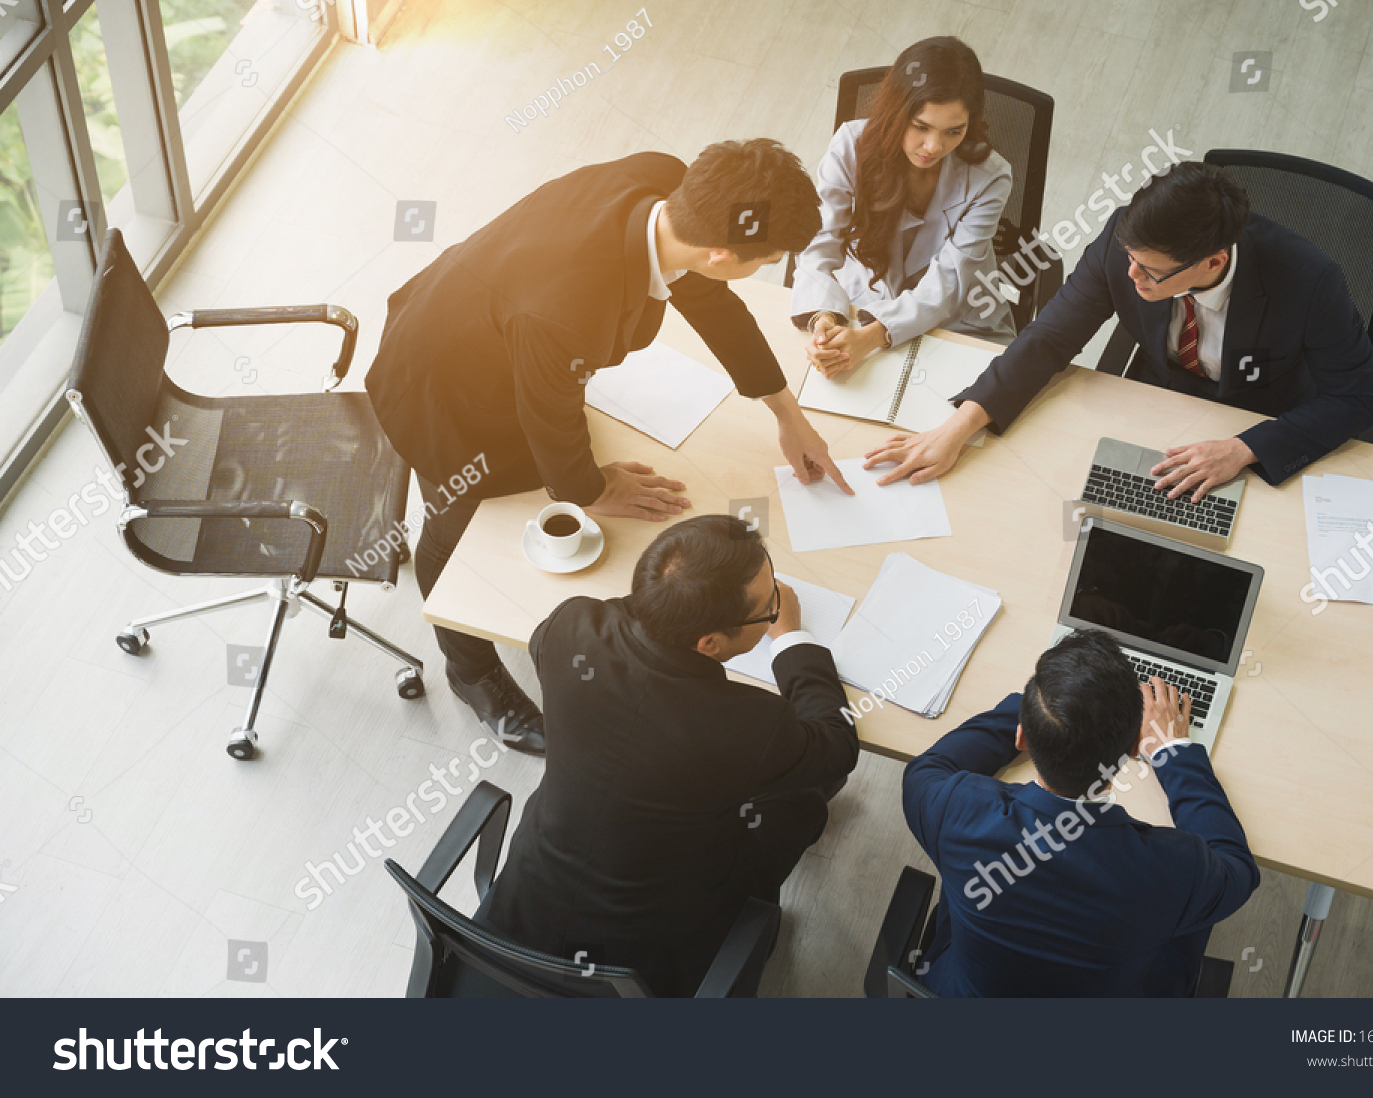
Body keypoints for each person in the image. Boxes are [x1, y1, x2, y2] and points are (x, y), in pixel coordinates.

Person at [366, 140, 852, 756]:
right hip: (443, 388)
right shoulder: (568, 311)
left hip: (499, 332)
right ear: (722, 251)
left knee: (555, 419)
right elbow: (548, 414)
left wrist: (788, 413)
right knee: (454, 525)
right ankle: (468, 670)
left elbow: (710, 301)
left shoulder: (668, 186)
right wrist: (592, 488)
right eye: (770, 258)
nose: (770, 266)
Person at [480, 515, 857, 996]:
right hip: (652, 940)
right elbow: (836, 742)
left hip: (530, 893)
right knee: (803, 801)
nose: (775, 608)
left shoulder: (569, 626)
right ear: (710, 644)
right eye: (768, 608)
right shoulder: (747, 725)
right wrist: (788, 637)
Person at [865, 160, 1373, 500]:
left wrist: (1244, 447)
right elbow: (1050, 337)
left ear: (1211, 262)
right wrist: (957, 428)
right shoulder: (1125, 239)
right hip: (1156, 403)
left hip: (1256, 421)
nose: (1131, 276)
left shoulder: (1311, 280)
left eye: (1150, 272)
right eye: (1130, 260)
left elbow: (1357, 397)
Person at [902, 629, 1259, 996]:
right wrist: (1174, 752)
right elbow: (1236, 867)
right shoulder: (1170, 869)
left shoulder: (957, 810)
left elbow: (930, 767)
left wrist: (1047, 705)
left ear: (1021, 737)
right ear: (1136, 745)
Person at [791, 36, 1015, 380]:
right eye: (920, 127)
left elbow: (948, 284)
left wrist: (874, 336)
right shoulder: (850, 145)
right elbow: (819, 240)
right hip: (860, 305)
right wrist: (823, 318)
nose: (934, 146)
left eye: (954, 131)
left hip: (956, 323)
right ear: (896, 113)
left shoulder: (991, 177)